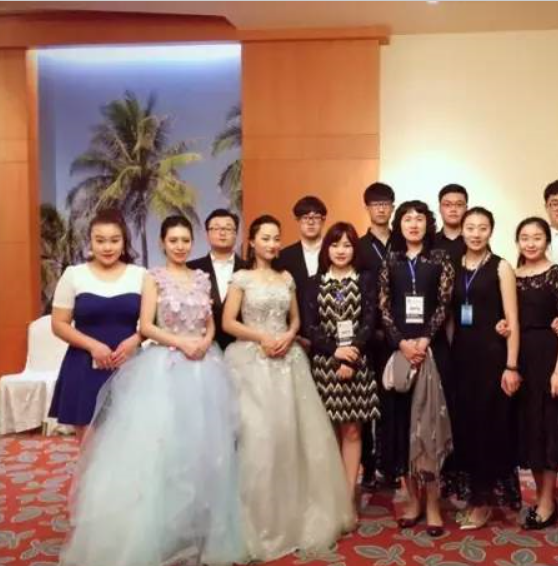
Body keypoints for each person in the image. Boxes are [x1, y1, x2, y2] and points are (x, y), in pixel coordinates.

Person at [59, 215, 244, 566]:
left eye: (185, 240)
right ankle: (160, 530)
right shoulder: (152, 277)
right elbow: (146, 325)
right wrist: (181, 343)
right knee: (164, 448)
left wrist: (204, 342)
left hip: (204, 366)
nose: (179, 246)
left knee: (204, 447)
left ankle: (197, 527)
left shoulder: (201, 278)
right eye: (173, 240)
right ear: (162, 243)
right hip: (166, 365)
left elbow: (210, 323)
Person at [223, 215, 354, 561]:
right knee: (258, 440)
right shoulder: (241, 278)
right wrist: (262, 337)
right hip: (251, 363)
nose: (272, 244)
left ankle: (295, 518)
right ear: (252, 241)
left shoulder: (287, 278)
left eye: (276, 238)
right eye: (265, 238)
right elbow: (228, 321)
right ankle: (259, 523)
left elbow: (295, 319)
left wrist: (288, 335)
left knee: (291, 438)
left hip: (288, 362)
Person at [378, 200, 455, 538]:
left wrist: (424, 340)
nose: (413, 224)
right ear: (399, 224)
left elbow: (444, 303)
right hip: (399, 352)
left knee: (429, 427)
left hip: (431, 351)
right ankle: (413, 502)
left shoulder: (439, 259)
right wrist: (401, 343)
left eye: (419, 219)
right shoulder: (391, 260)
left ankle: (434, 505)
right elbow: (383, 307)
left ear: (428, 224)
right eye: (407, 219)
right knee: (401, 428)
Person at [444, 207, 521, 530]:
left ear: (491, 231)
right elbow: (449, 316)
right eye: (470, 228)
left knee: (488, 429)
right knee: (465, 428)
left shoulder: (500, 267)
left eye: (482, 228)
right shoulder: (453, 266)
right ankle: (475, 496)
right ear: (461, 230)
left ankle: (484, 501)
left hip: (492, 358)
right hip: (461, 358)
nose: (476, 234)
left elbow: (512, 319)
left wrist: (511, 365)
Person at [304, 222, 381, 513]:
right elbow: (310, 327)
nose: (340, 251)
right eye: (335, 245)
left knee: (352, 432)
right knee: (329, 433)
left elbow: (369, 322)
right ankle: (331, 495)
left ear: (354, 250)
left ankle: (348, 496)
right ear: (327, 249)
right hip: (324, 365)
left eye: (347, 245)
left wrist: (350, 357)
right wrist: (335, 352)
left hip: (358, 363)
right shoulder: (314, 282)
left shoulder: (365, 280)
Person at [49, 209, 144, 440]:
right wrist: (93, 346)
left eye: (114, 240)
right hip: (83, 366)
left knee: (130, 441)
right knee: (88, 446)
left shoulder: (140, 275)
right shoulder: (74, 275)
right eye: (100, 240)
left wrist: (134, 340)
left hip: (128, 365)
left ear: (124, 242)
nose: (107, 247)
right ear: (90, 242)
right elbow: (59, 324)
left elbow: (153, 322)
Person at [514, 217, 558, 530]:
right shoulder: (512, 274)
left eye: (537, 237)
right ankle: (541, 497)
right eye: (525, 237)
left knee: (549, 426)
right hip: (520, 358)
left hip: (548, 357)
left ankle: (548, 501)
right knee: (530, 429)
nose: (531, 243)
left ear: (547, 241)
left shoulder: (556, 274)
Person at [357, 181, 396, 489]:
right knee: (365, 402)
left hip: (399, 335)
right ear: (367, 208)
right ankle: (368, 467)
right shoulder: (357, 246)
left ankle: (391, 465)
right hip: (367, 336)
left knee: (392, 401)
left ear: (392, 207)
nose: (381, 209)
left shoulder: (404, 242)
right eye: (376, 204)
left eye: (386, 204)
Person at [187, 208, 246, 350]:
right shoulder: (191, 268)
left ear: (236, 234)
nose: (222, 233)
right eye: (216, 228)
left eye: (228, 228)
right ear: (207, 234)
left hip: (242, 346)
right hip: (203, 347)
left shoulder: (249, 268)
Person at [276, 195, 327, 342]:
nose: (310, 222)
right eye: (305, 217)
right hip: (296, 334)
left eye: (316, 217)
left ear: (323, 220)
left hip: (329, 331)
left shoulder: (335, 253)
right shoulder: (284, 256)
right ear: (297, 220)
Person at [433, 184, 468, 265]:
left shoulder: (475, 241)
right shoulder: (430, 242)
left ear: (466, 209)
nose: (453, 209)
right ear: (439, 208)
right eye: (447, 205)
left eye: (459, 205)